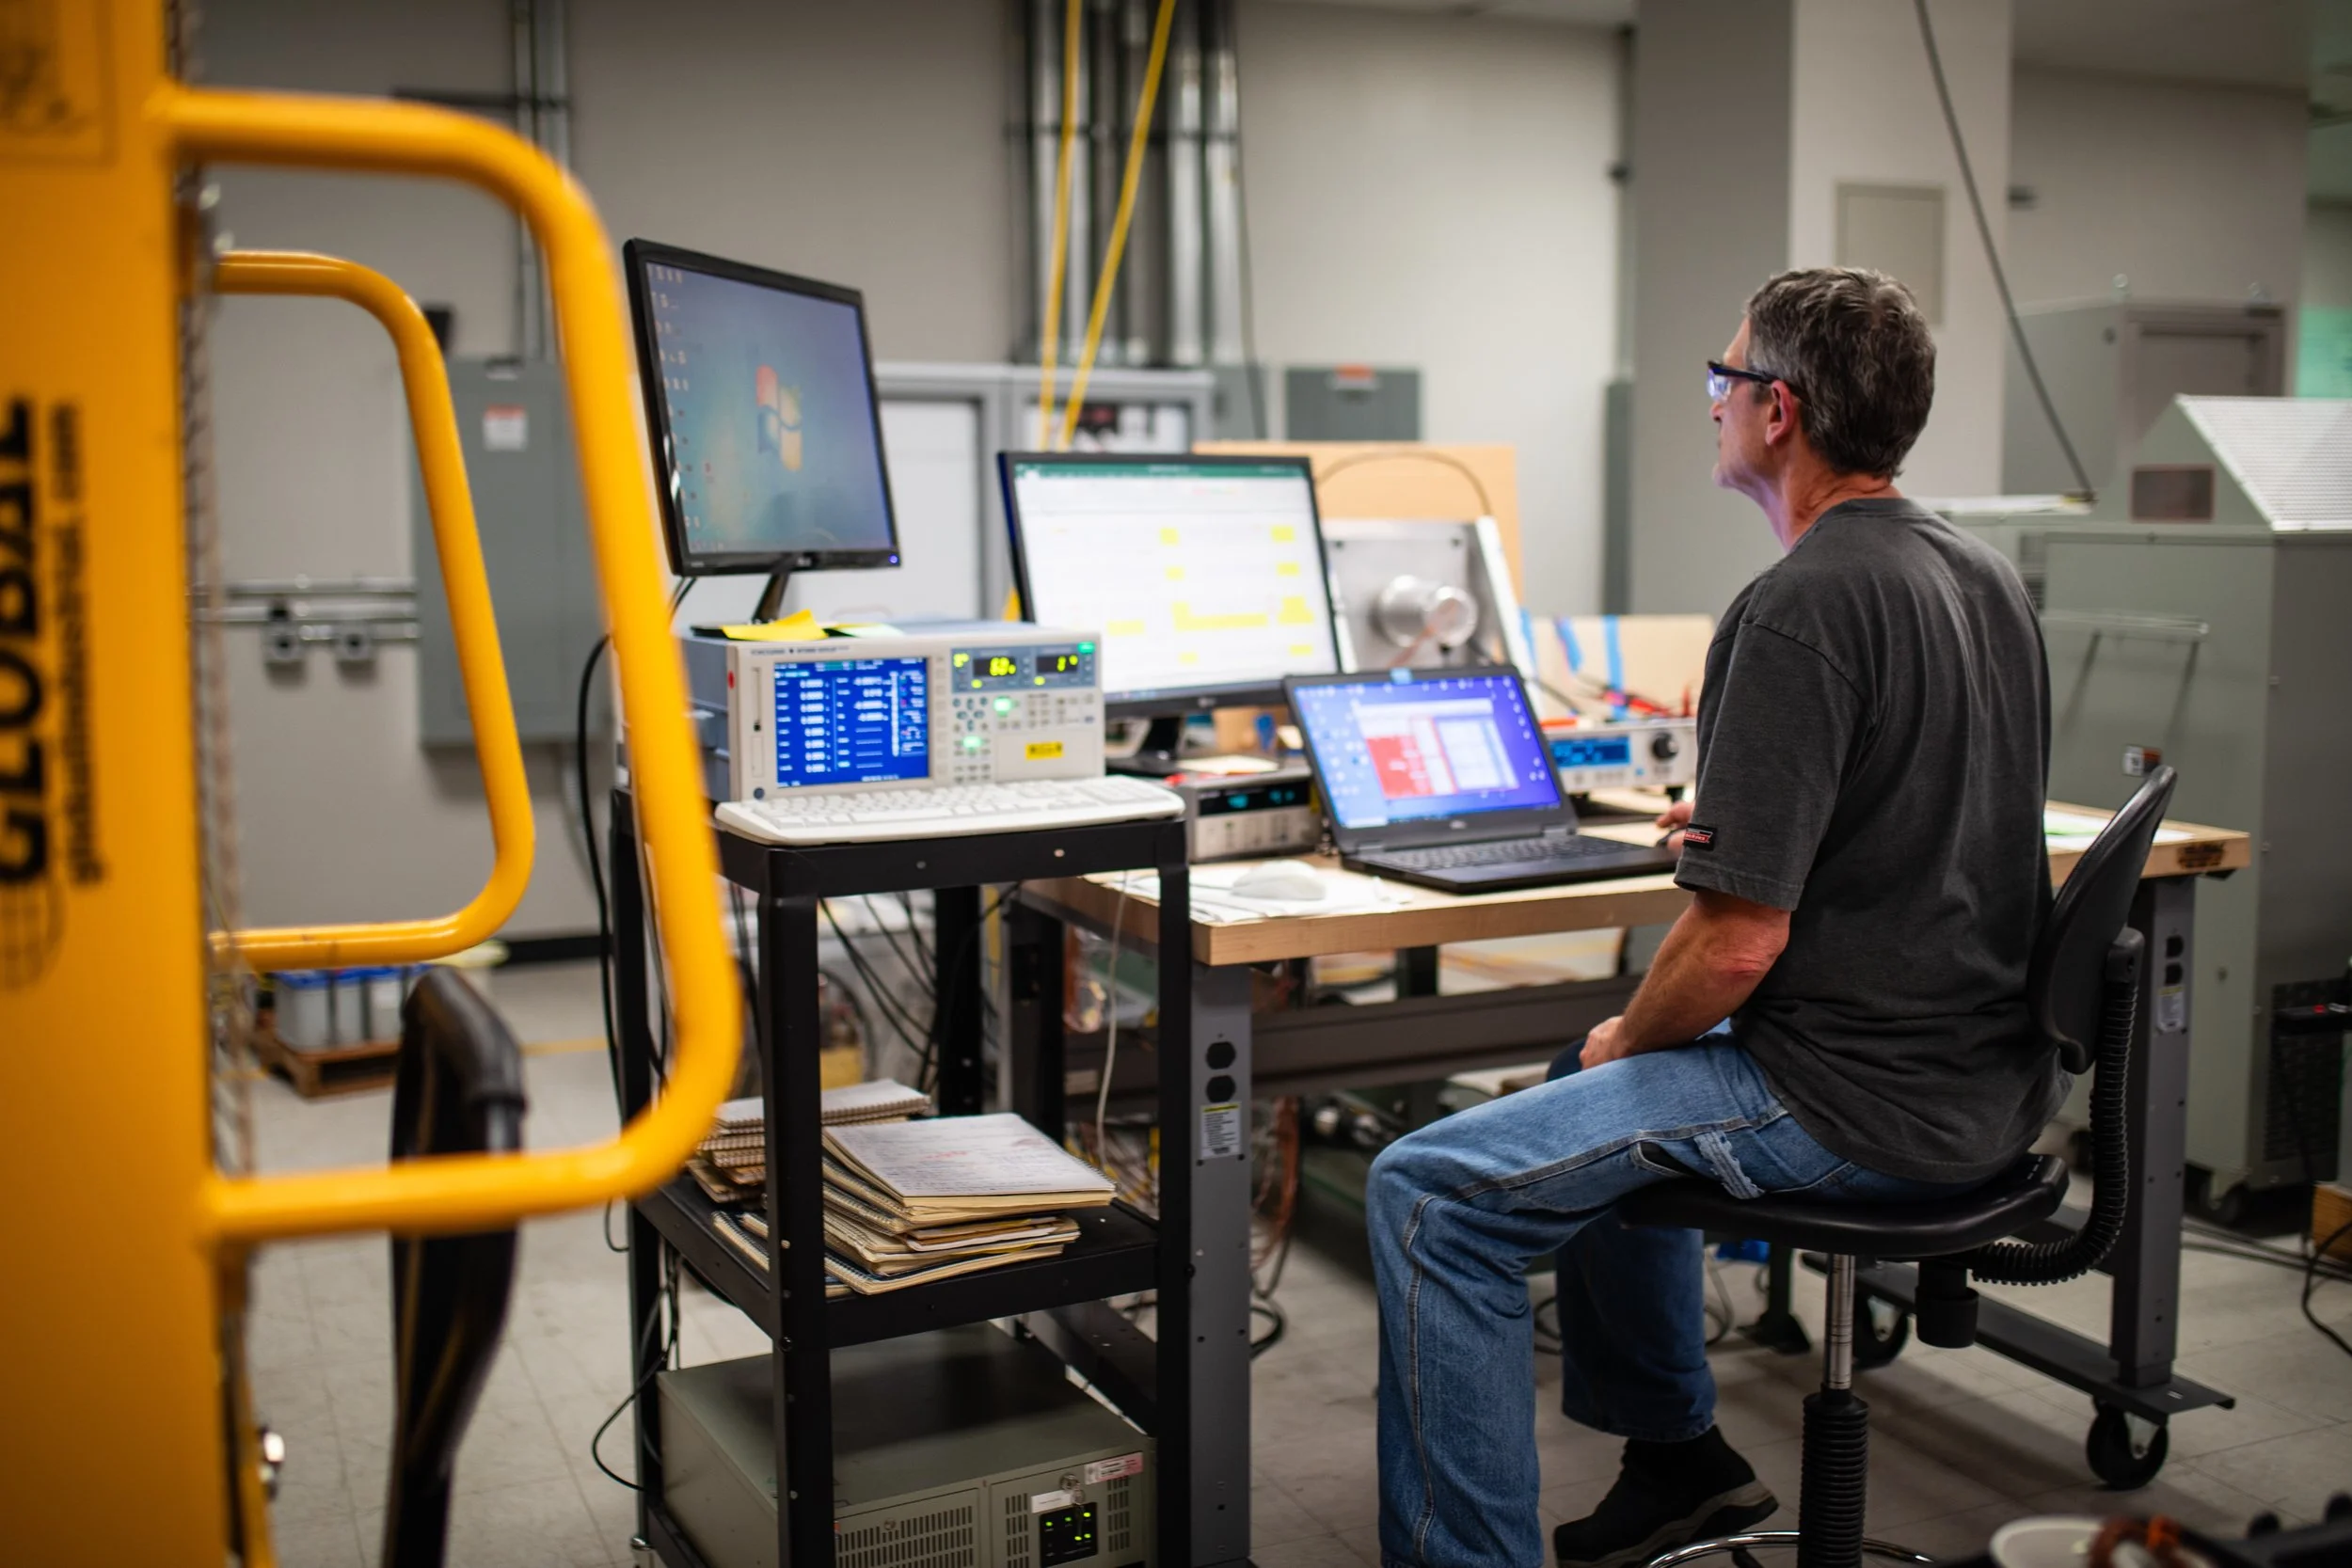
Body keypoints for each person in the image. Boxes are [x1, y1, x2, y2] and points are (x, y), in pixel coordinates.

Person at [1366, 267, 2057, 1568]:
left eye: (1721, 383)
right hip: (1982, 1083)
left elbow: (1738, 944)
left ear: (1778, 412)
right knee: (1588, 1073)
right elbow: (1924, 819)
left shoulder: (1798, 605)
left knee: (1426, 1191)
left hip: (1851, 1097)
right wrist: (1740, 836)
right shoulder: (1984, 577)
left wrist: (1636, 1028)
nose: (1712, 407)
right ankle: (1678, 1459)